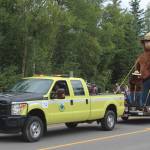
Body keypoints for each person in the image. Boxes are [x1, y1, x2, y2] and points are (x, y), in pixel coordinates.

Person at [136, 32, 150, 106]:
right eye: (146, 42)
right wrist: (137, 74)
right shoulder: (141, 56)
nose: (147, 44)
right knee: (144, 91)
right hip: (144, 78)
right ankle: (145, 105)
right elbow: (137, 66)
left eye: (149, 42)